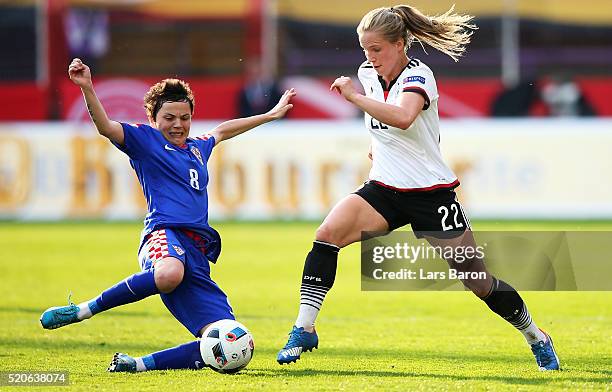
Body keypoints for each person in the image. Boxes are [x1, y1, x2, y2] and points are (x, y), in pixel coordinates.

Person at [276, 5, 560, 371]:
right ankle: (304, 328)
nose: (370, 57)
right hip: (384, 189)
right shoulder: (367, 73)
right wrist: (377, 147)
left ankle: (536, 336)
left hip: (430, 195)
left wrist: (354, 98)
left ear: (399, 44)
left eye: (376, 49)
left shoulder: (419, 76)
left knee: (478, 281)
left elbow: (405, 117)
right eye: (365, 49)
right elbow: (384, 124)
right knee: (327, 234)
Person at [40, 58, 295, 372]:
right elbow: (106, 127)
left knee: (231, 344)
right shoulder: (145, 142)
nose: (178, 124)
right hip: (164, 235)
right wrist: (87, 88)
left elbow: (221, 131)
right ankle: (83, 310)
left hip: (197, 251)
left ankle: (138, 365)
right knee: (169, 274)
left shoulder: (197, 147)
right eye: (170, 117)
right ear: (153, 118)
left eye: (185, 118)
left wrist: (270, 115)